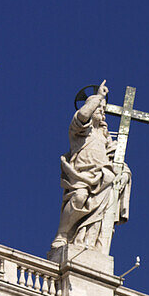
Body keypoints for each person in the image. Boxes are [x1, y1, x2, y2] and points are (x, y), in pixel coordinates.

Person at [52, 81, 131, 254]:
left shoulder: (104, 136)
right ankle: (63, 233)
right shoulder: (79, 131)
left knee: (99, 215)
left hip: (102, 179)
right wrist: (98, 97)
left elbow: (115, 160)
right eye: (99, 108)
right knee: (80, 197)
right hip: (80, 175)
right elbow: (83, 115)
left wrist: (125, 172)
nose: (102, 111)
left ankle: (87, 241)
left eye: (103, 109)